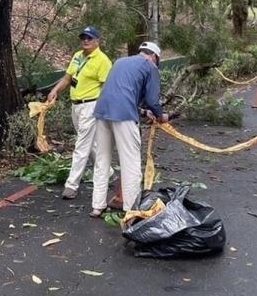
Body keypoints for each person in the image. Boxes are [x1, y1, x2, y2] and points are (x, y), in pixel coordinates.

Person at [90, 41, 169, 217]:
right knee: (131, 162)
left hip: (102, 111)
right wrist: (160, 115)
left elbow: (120, 92)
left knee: (102, 160)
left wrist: (142, 112)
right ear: (154, 57)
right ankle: (131, 209)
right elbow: (152, 100)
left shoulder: (120, 62)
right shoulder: (150, 67)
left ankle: (97, 206)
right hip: (124, 115)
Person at [47, 26, 113, 200]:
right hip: (76, 105)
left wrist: (103, 108)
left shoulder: (102, 60)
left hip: (91, 105)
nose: (86, 41)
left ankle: (71, 185)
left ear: (97, 41)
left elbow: (107, 86)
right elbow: (68, 78)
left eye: (90, 38)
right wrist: (55, 91)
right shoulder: (77, 56)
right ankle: (110, 172)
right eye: (84, 38)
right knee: (89, 143)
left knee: (81, 145)